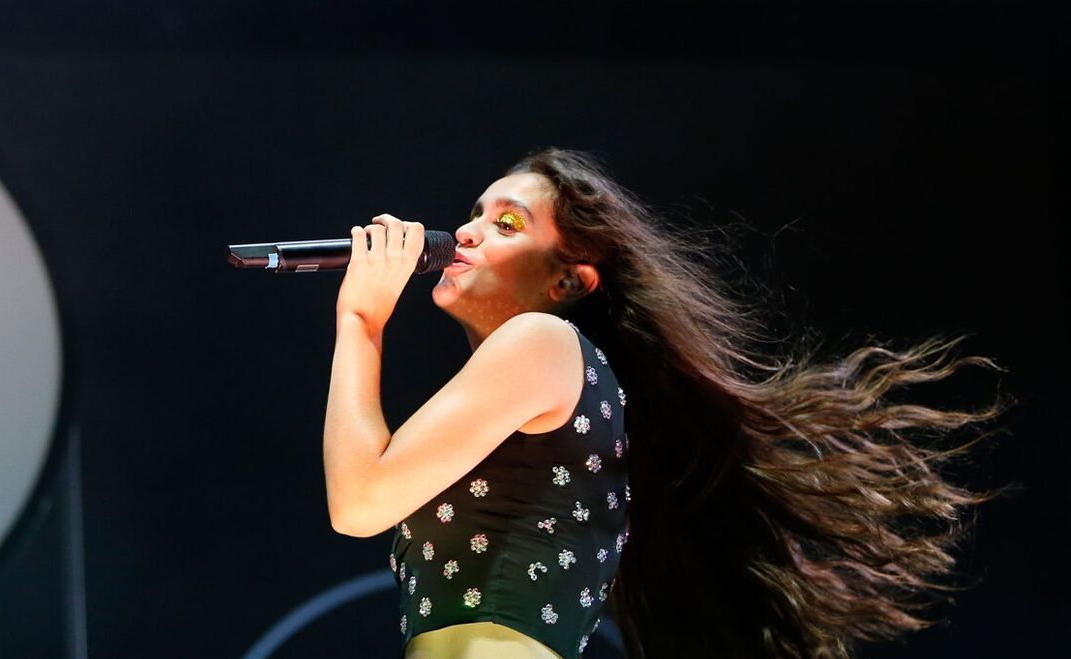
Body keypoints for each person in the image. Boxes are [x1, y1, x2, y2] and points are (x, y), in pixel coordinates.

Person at [323, 148, 1010, 658]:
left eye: (506, 223)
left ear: (569, 279)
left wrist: (360, 320)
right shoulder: (542, 386)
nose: (466, 233)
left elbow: (359, 499)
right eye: (473, 215)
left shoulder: (543, 343)